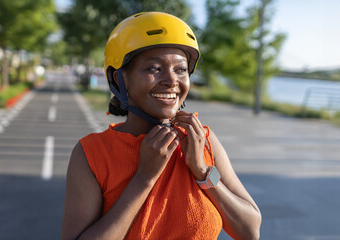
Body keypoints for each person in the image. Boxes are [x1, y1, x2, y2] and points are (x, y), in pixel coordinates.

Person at [61, 12, 261, 240]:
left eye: (181, 69)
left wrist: (202, 171)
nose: (172, 80)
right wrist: (144, 178)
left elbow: (250, 230)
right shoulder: (92, 154)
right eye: (154, 68)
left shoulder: (202, 139)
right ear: (119, 80)